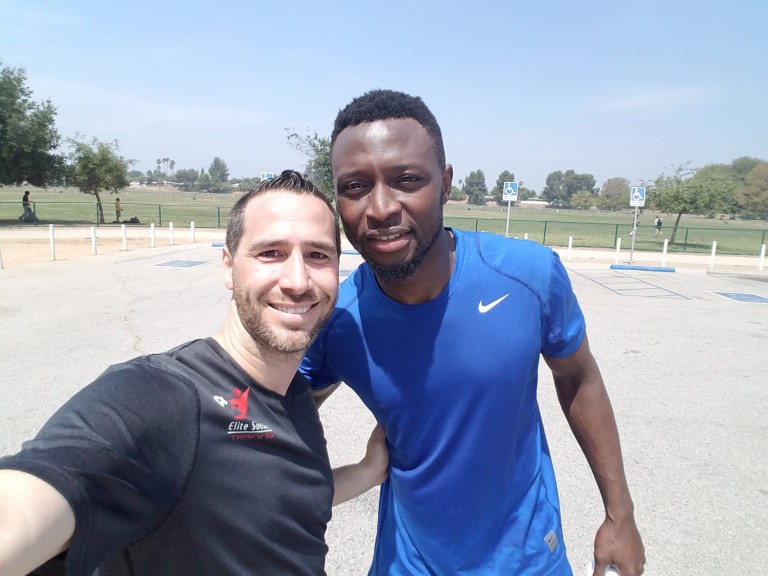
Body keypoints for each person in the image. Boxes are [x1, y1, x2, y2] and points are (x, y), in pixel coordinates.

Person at [300, 90, 646, 576]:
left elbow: (579, 378)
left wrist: (620, 515)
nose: (380, 208)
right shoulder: (337, 318)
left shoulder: (528, 276)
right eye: (355, 186)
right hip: (407, 561)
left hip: (526, 556)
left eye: (407, 180)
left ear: (444, 184)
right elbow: (275, 419)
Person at [0, 170, 388, 576]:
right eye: (270, 252)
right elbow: (26, 507)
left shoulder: (293, 397)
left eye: (317, 255)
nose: (297, 280)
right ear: (227, 265)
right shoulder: (160, 397)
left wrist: (365, 472)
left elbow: (272, 504)